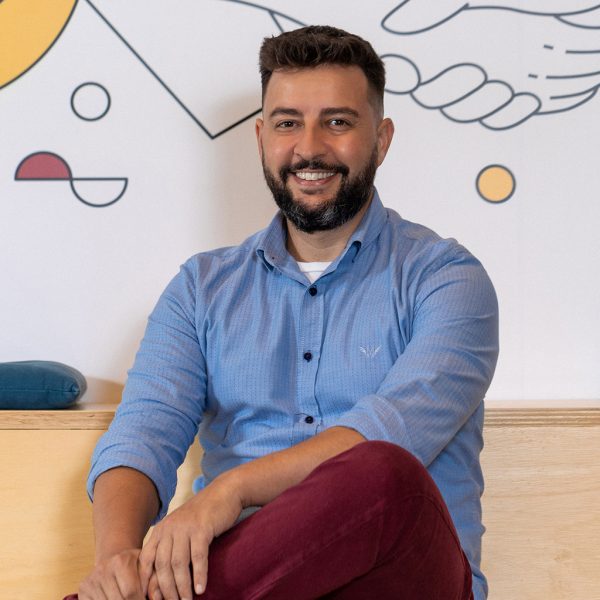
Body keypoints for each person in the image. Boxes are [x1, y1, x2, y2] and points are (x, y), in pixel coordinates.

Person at [72, 25, 498, 600]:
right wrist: (116, 561)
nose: (310, 147)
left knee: (386, 474)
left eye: (338, 122)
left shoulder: (448, 280)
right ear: (261, 138)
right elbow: (143, 434)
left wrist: (231, 491)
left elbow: (390, 436)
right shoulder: (200, 289)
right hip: (253, 580)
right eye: (288, 122)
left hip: (399, 580)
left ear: (382, 139)